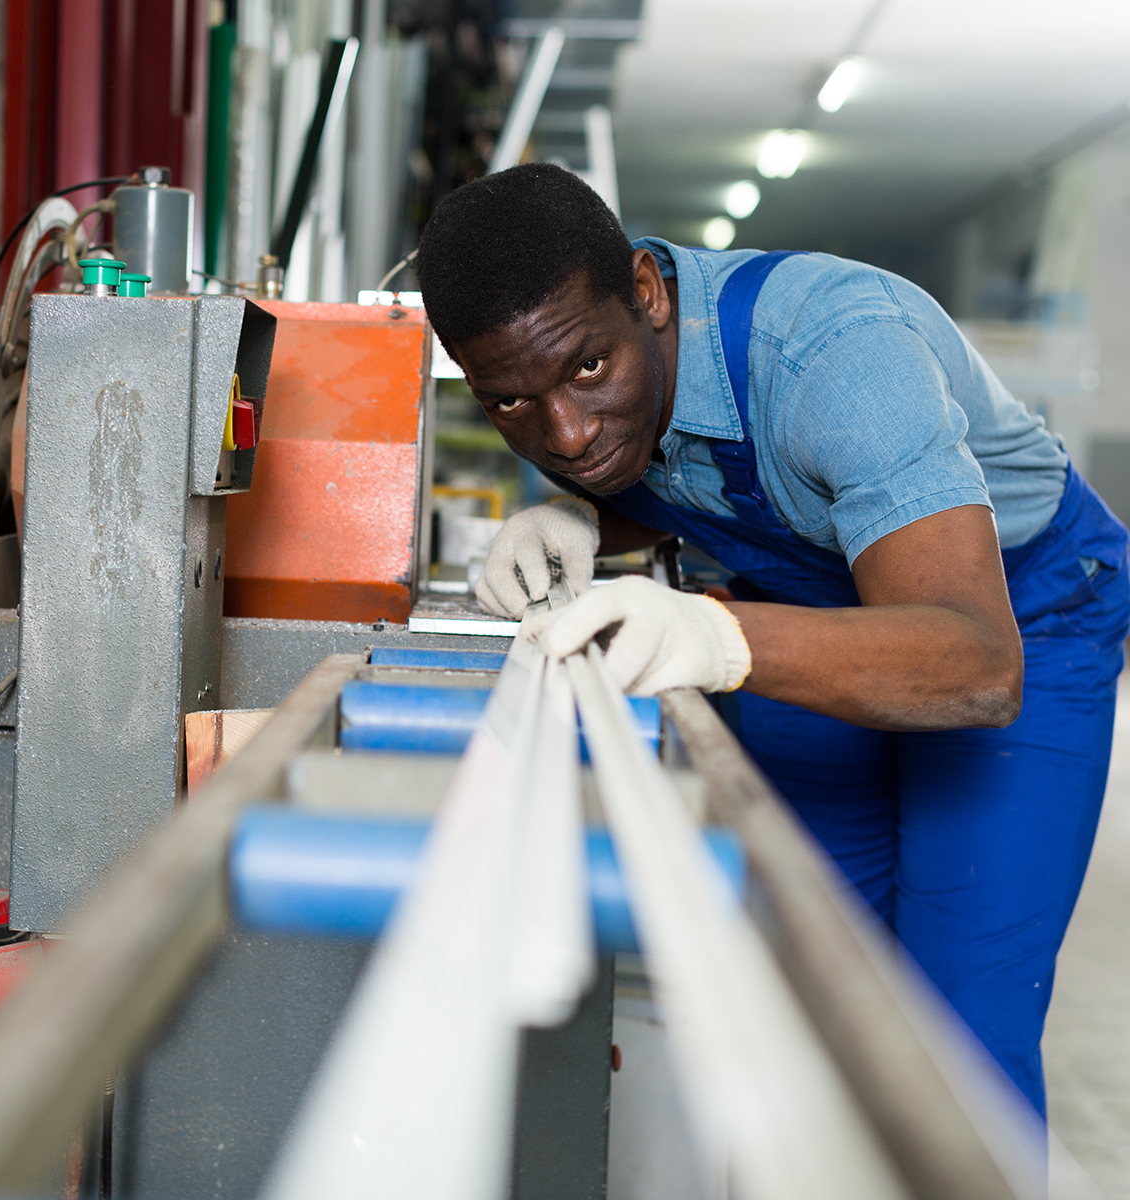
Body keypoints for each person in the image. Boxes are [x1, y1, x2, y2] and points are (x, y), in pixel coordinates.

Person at [415, 163, 1129, 1119]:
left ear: (649, 293)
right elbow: (684, 470)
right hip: (804, 602)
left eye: (587, 368)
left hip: (1017, 614)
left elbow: (978, 664)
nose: (569, 433)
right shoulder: (595, 390)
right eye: (509, 403)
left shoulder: (837, 354)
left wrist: (715, 635)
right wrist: (581, 521)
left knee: (955, 1045)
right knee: (808, 981)